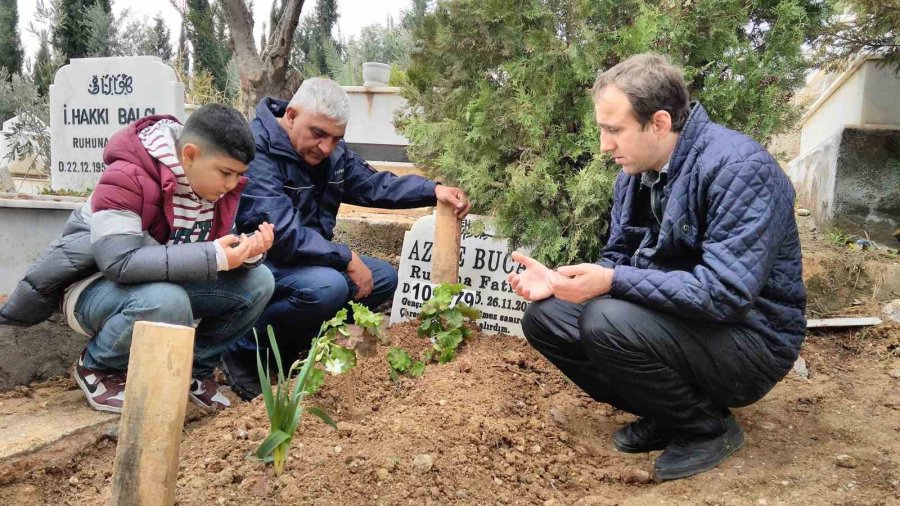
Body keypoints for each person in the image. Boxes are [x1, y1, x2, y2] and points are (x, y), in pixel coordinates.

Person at [508, 53, 806, 481]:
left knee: (605, 319)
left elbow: (725, 294)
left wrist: (610, 282)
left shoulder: (739, 169)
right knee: (546, 317)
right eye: (601, 129)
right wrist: (560, 283)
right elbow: (618, 257)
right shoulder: (635, 174)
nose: (604, 145)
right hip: (684, 325)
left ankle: (707, 429)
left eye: (614, 130)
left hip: (752, 341)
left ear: (660, 123)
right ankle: (669, 411)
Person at [0, 104, 276, 414]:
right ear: (190, 154)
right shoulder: (127, 175)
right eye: (226, 173)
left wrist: (245, 253)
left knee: (259, 281)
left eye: (238, 175)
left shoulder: (212, 189)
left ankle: (193, 371)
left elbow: (214, 249)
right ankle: (96, 367)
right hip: (92, 287)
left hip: (160, 283)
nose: (231, 184)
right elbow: (118, 261)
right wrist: (214, 256)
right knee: (167, 301)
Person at [221, 77, 471, 400]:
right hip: (263, 265)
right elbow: (283, 232)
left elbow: (376, 185)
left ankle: (296, 344)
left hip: (309, 262)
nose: (326, 147)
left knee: (383, 278)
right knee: (330, 287)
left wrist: (433, 190)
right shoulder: (257, 150)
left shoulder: (331, 155)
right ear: (292, 115)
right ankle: (243, 347)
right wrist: (346, 258)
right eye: (318, 134)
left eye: (336, 138)